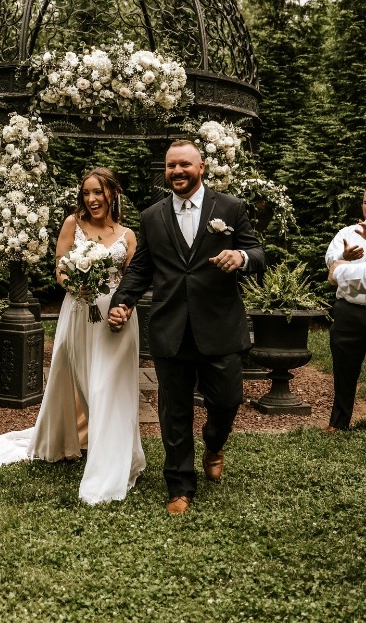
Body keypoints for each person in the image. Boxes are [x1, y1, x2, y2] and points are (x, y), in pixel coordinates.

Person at [0, 167, 146, 505]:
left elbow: (134, 278)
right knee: (85, 381)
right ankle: (78, 440)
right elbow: (60, 268)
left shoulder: (127, 235)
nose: (92, 199)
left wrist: (123, 307)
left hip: (117, 317)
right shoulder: (74, 224)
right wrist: (77, 285)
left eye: (98, 192)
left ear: (113, 194)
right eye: (86, 193)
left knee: (109, 385)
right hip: (79, 313)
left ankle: (114, 458)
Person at [108, 140, 265, 514]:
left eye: (184, 165)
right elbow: (142, 269)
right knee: (174, 411)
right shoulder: (152, 216)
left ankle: (214, 443)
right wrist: (122, 303)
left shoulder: (230, 208)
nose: (177, 171)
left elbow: (259, 253)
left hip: (220, 328)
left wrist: (240, 256)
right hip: (170, 329)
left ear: (202, 167)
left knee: (227, 401)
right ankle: (179, 486)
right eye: (171, 166)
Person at [325, 182, 366, 435]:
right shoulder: (349, 231)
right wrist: (345, 257)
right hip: (349, 311)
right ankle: (339, 421)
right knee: (344, 369)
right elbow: (331, 263)